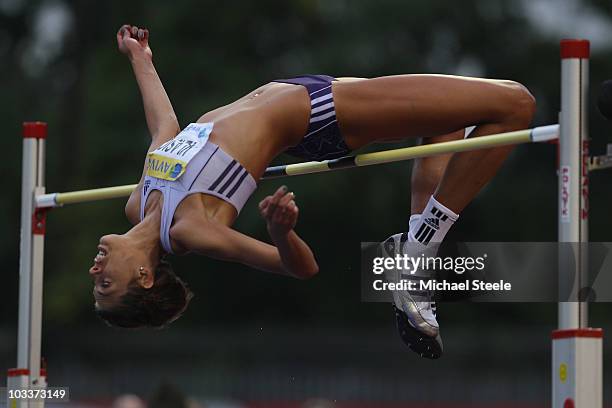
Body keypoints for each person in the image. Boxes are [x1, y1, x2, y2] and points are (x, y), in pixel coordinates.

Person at [91, 25, 535, 358]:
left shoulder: (139, 203)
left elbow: (165, 128)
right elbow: (298, 269)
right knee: (516, 104)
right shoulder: (191, 230)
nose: (96, 272)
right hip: (321, 115)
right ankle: (419, 255)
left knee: (448, 122)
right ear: (145, 277)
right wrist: (282, 233)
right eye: (107, 283)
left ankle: (417, 257)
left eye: (98, 281)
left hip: (309, 88)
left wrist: (140, 59)